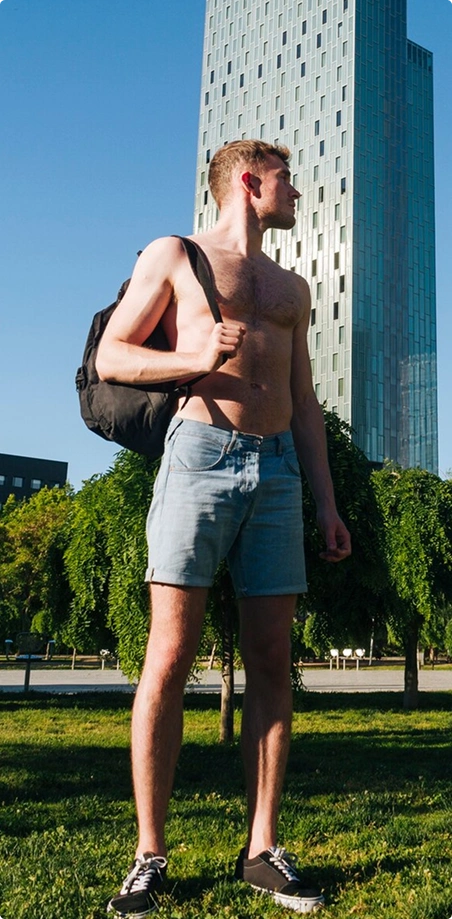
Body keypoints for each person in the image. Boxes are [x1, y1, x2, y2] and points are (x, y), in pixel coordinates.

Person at [96, 139, 351, 917]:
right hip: (200, 455)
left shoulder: (292, 287)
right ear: (249, 181)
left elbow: (304, 401)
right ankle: (149, 855)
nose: (298, 191)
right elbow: (113, 354)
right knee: (169, 653)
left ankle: (262, 848)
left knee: (272, 656)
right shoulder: (177, 255)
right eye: (286, 179)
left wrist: (326, 500)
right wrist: (193, 356)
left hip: (277, 469)